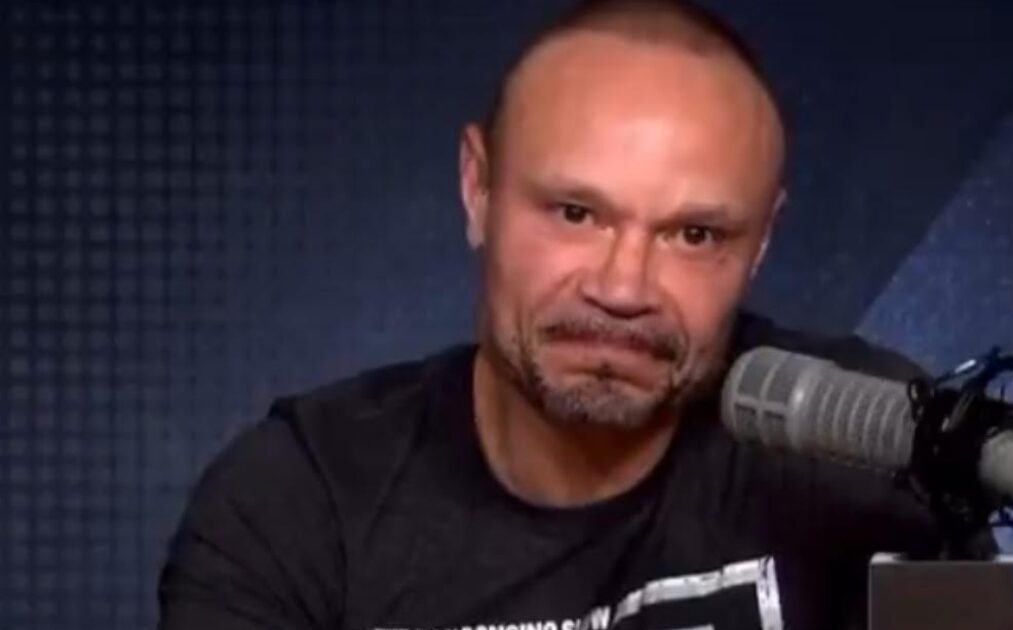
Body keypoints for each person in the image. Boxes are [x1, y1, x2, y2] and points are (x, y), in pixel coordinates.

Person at [157, 1, 955, 628]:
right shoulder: (300, 500)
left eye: (694, 235)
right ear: (478, 188)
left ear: (763, 241)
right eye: (576, 213)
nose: (623, 287)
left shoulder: (871, 439)